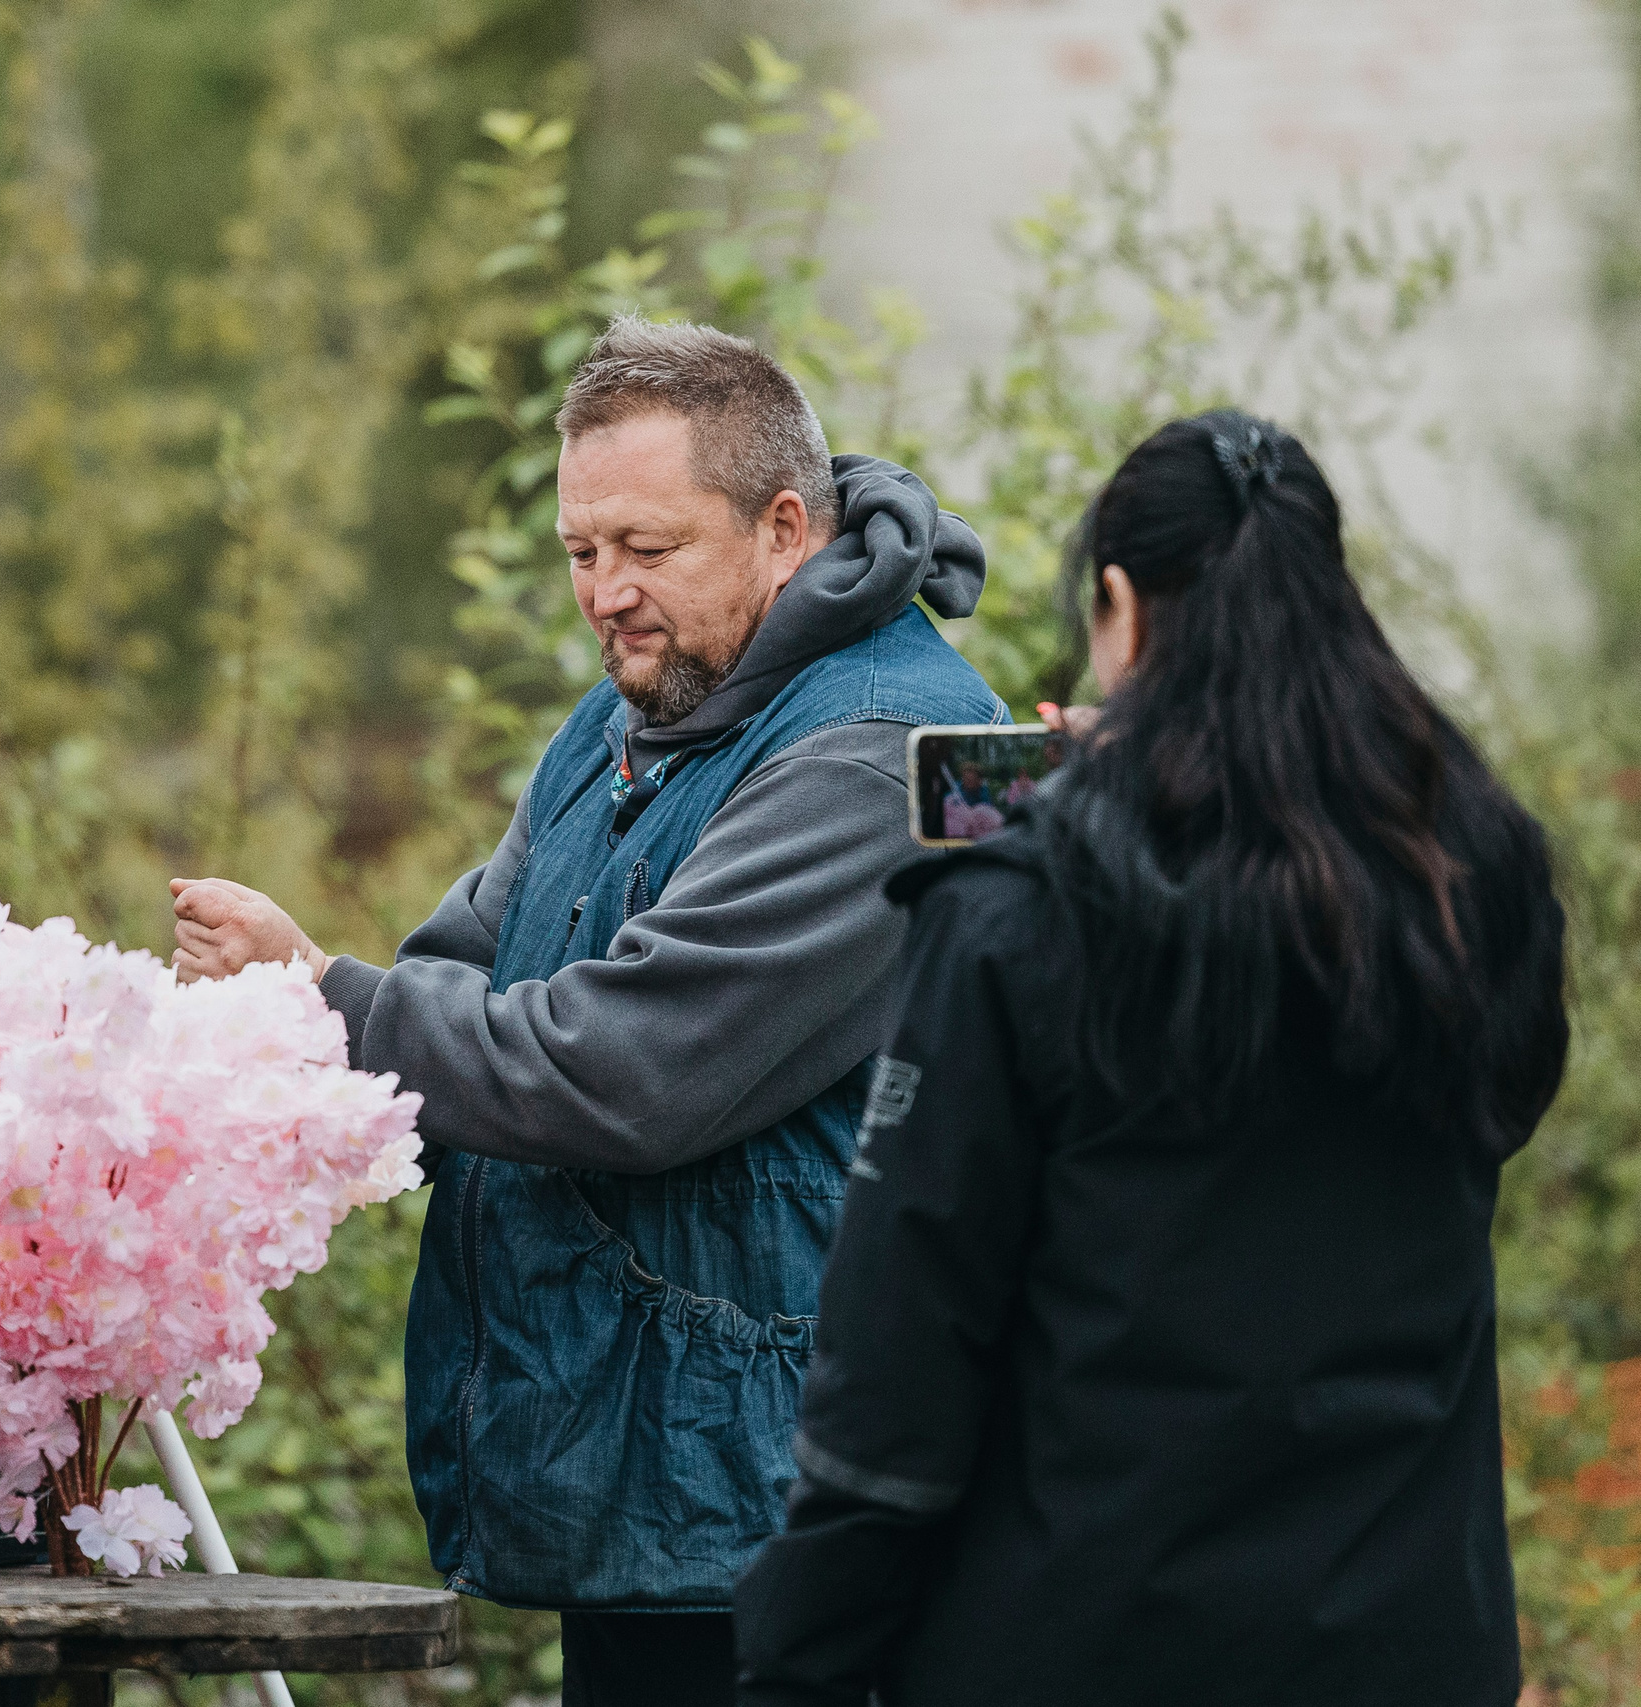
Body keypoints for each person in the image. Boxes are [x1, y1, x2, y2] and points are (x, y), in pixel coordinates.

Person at [169, 316, 1004, 1703]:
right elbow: (457, 969)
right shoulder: (633, 713)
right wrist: (254, 1068)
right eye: (580, 551)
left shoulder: (890, 761)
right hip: (660, 1500)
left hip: (797, 1515)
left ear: (784, 528)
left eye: (648, 548)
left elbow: (628, 1067)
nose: (605, 591)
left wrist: (320, 992)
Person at [733, 412, 1568, 1706]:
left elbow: (901, 1352)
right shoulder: (1474, 884)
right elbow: (1503, 1113)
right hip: (1410, 1633)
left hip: (1094, 1633)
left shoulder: (1026, 910)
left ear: (1117, 605)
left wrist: (801, 1655)